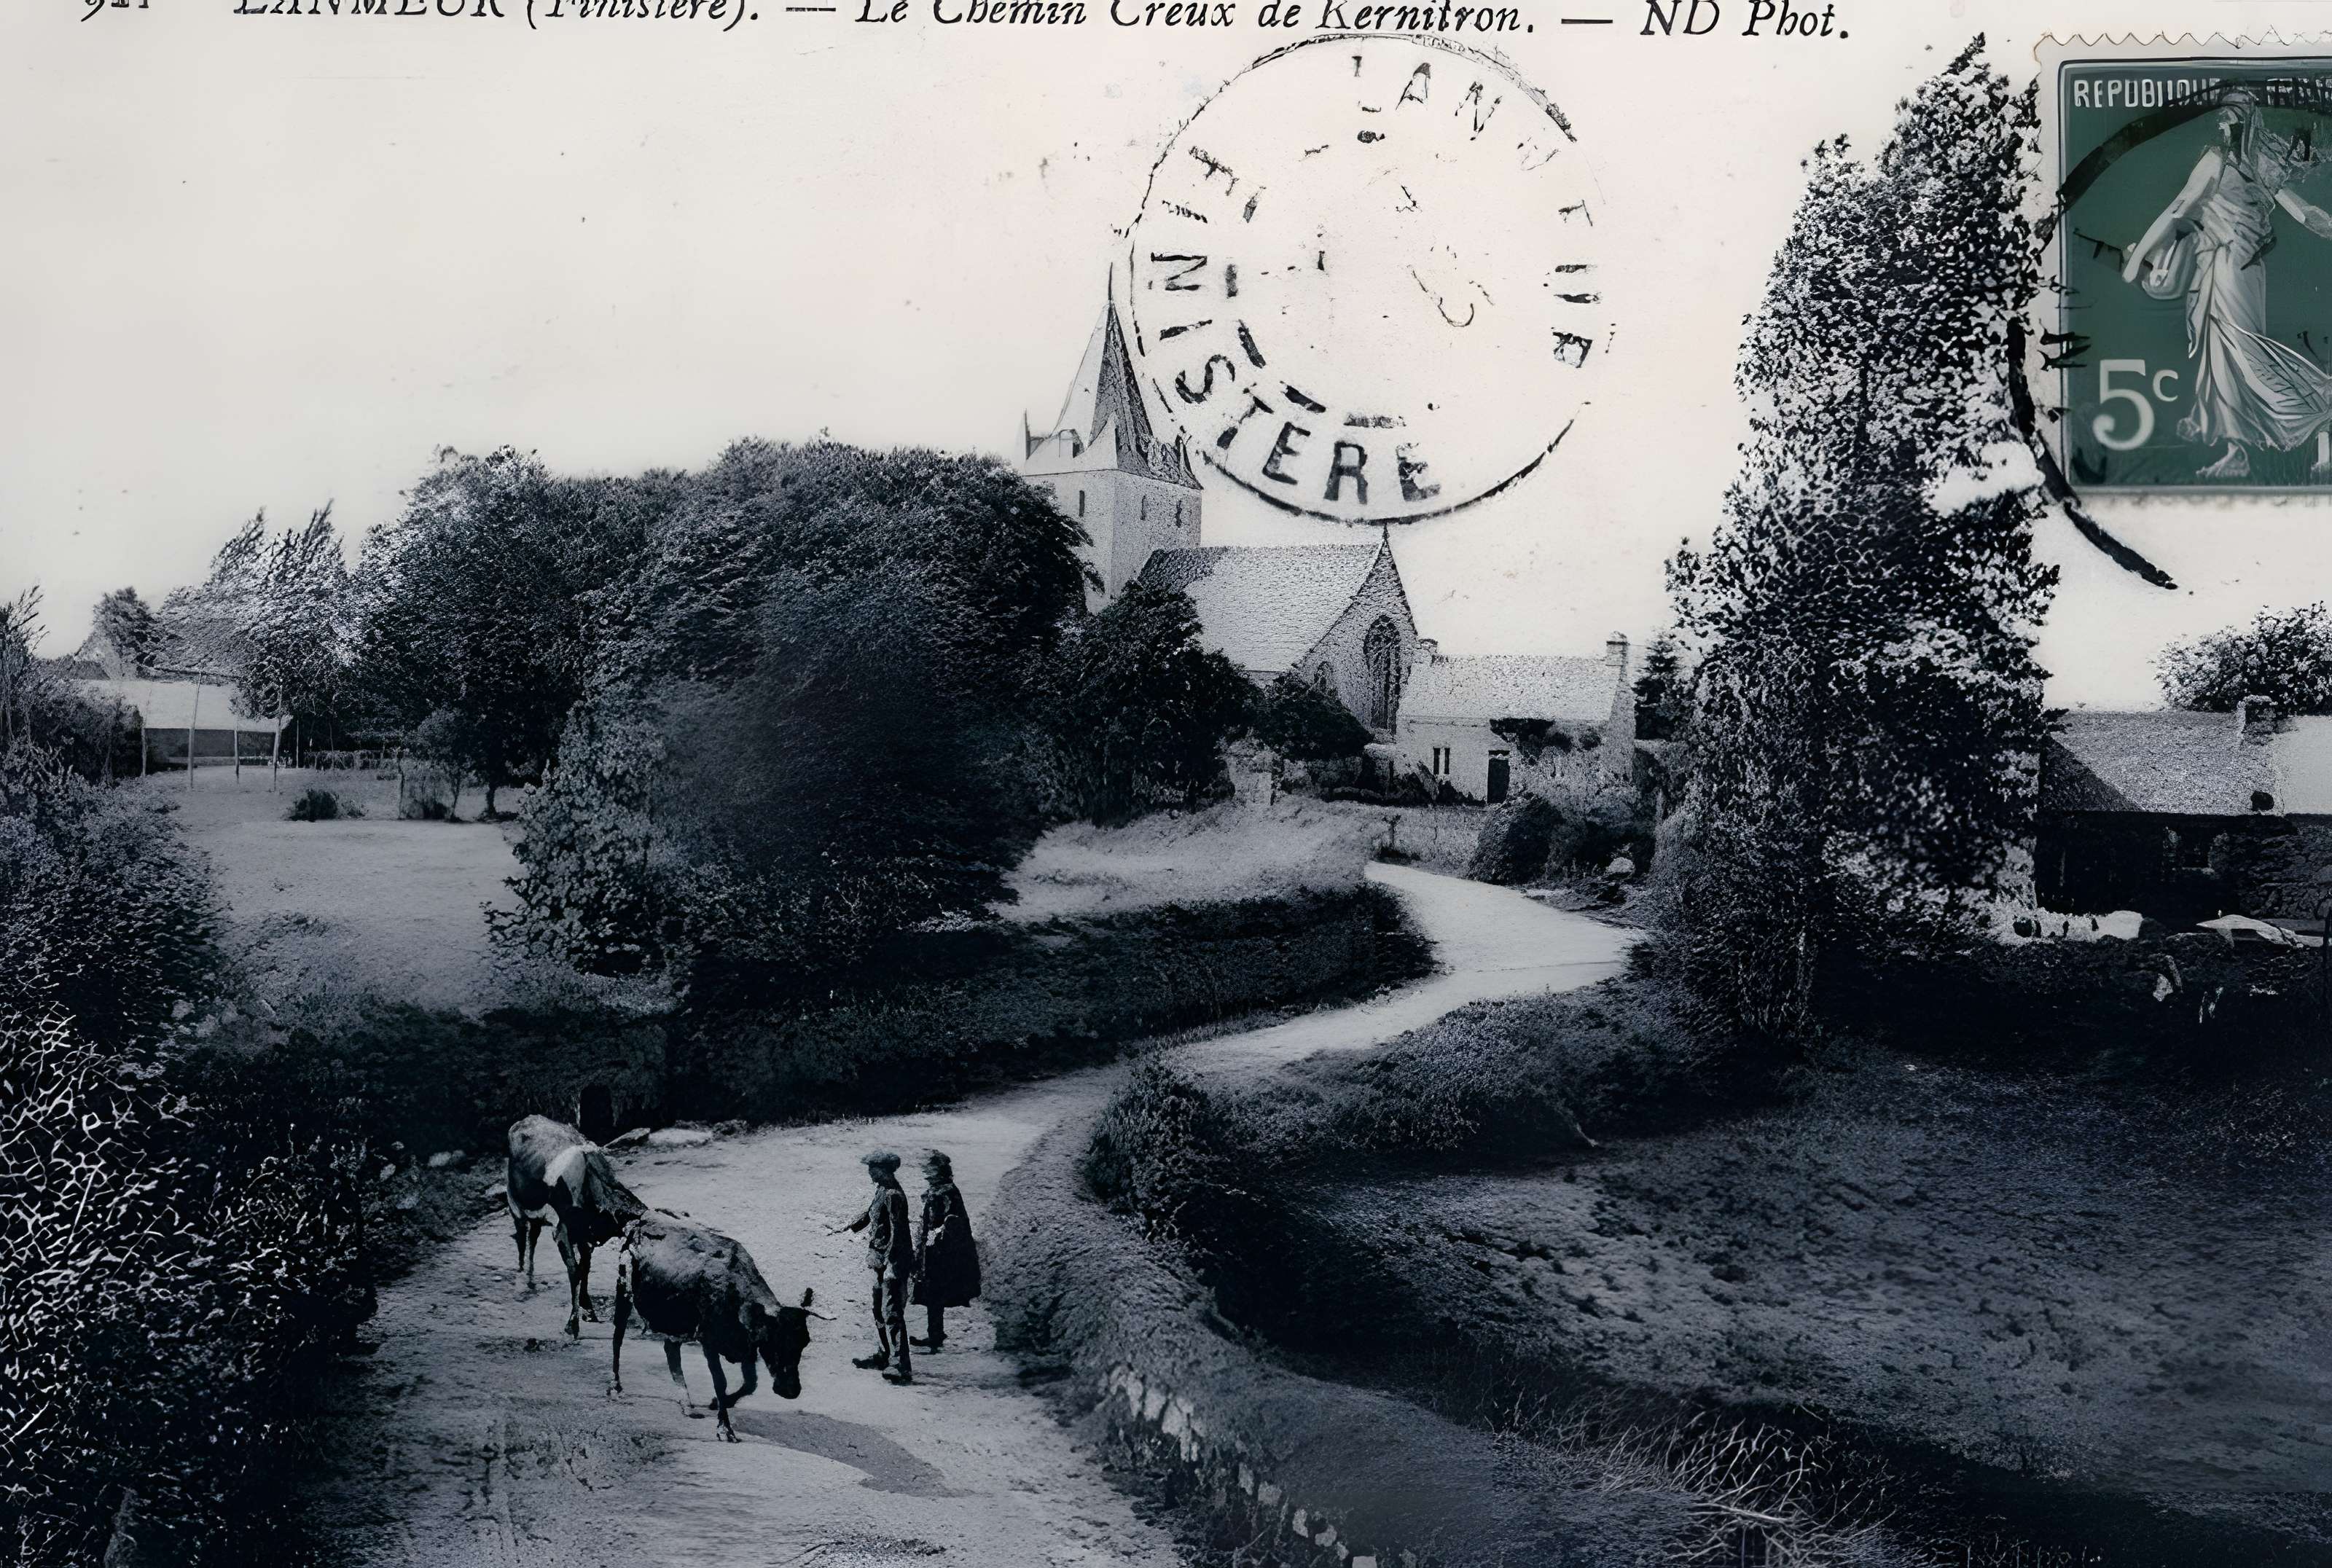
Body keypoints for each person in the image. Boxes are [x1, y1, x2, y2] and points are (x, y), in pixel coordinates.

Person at [2121, 88, 2332, 480]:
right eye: (2222, 115)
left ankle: (2321, 411)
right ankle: (2239, 453)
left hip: (2232, 269)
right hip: (2220, 268)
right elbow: (2183, 209)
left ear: (2250, 118)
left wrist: (2137, 260)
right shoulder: (2234, 162)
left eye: (2233, 114)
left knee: (2243, 354)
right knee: (2220, 362)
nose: (2225, 122)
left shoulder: (2238, 163)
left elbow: (2181, 208)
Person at [834, 1149, 915, 1384]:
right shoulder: (881, 1191)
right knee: (878, 1309)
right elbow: (871, 1214)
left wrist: (891, 1265)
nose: (870, 1173)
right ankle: (885, 1354)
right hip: (880, 1259)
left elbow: (898, 1234)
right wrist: (849, 1227)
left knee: (892, 1313)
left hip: (893, 1262)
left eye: (873, 1169)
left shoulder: (893, 1195)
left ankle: (901, 1365)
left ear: (884, 1170)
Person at [909, 1150, 980, 1352]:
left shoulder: (947, 1193)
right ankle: (935, 1334)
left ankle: (936, 1336)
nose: (927, 1174)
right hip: (934, 1250)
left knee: (936, 1291)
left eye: (930, 1171)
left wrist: (935, 1237)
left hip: (943, 1253)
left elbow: (952, 1223)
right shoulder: (940, 1191)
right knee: (933, 1293)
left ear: (939, 1172)